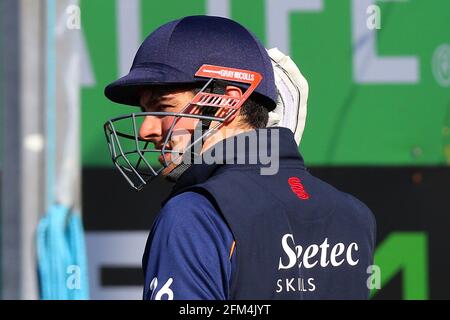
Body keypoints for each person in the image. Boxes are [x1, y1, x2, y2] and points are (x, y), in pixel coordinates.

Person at [103, 15, 376, 300]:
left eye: (162, 107)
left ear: (226, 102)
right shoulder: (354, 215)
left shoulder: (194, 214)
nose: (147, 129)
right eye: (147, 112)